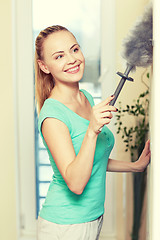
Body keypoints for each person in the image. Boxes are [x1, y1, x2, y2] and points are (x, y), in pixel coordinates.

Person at [35, 25, 151, 240]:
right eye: (59, 56)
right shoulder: (53, 116)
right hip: (65, 225)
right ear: (44, 66)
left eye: (75, 50)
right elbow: (76, 184)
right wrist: (91, 131)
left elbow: (93, 160)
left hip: (93, 218)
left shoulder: (86, 97)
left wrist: (135, 167)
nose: (72, 59)